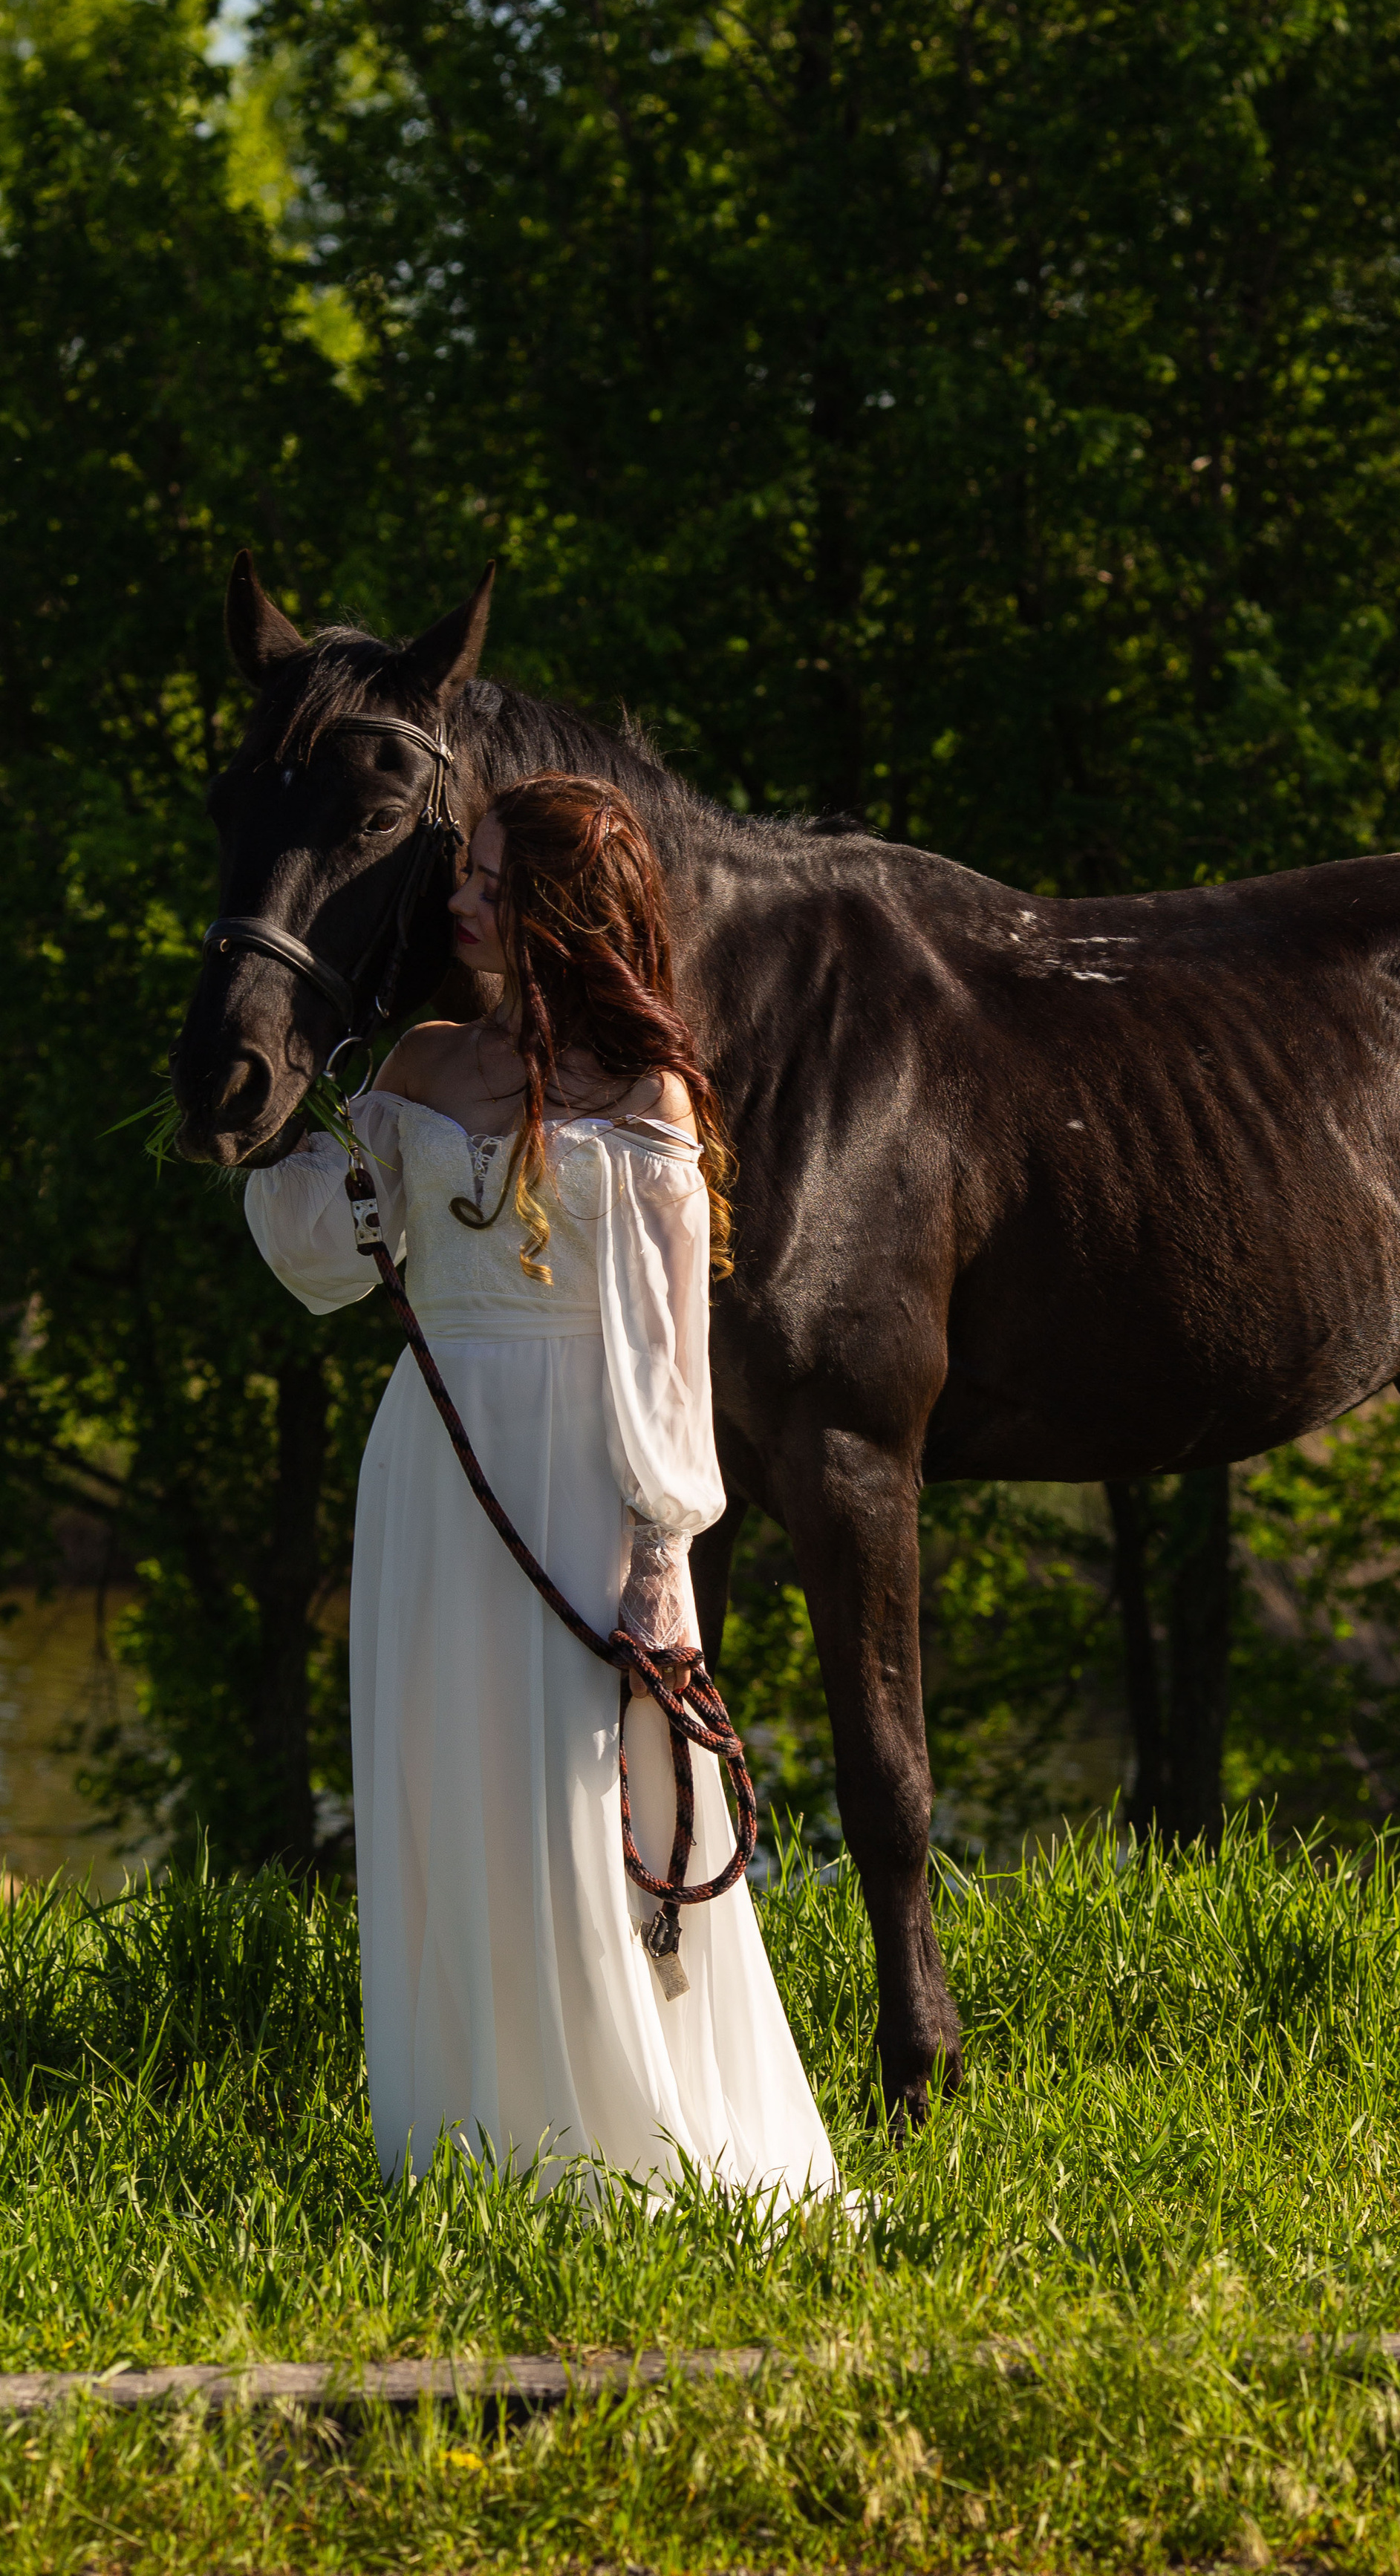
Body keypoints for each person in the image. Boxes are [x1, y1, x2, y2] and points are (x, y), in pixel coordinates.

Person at [244, 771, 840, 2208]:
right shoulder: (419, 1062)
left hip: (582, 1464)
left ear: (566, 907)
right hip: (432, 1459)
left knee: (593, 1800)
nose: (460, 898)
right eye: (465, 875)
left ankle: (623, 2148)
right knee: (444, 1786)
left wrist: (658, 1556)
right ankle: (469, 2144)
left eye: (491, 879)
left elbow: (664, 1355)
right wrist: (271, 1119)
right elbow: (322, 1265)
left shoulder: (643, 1092)